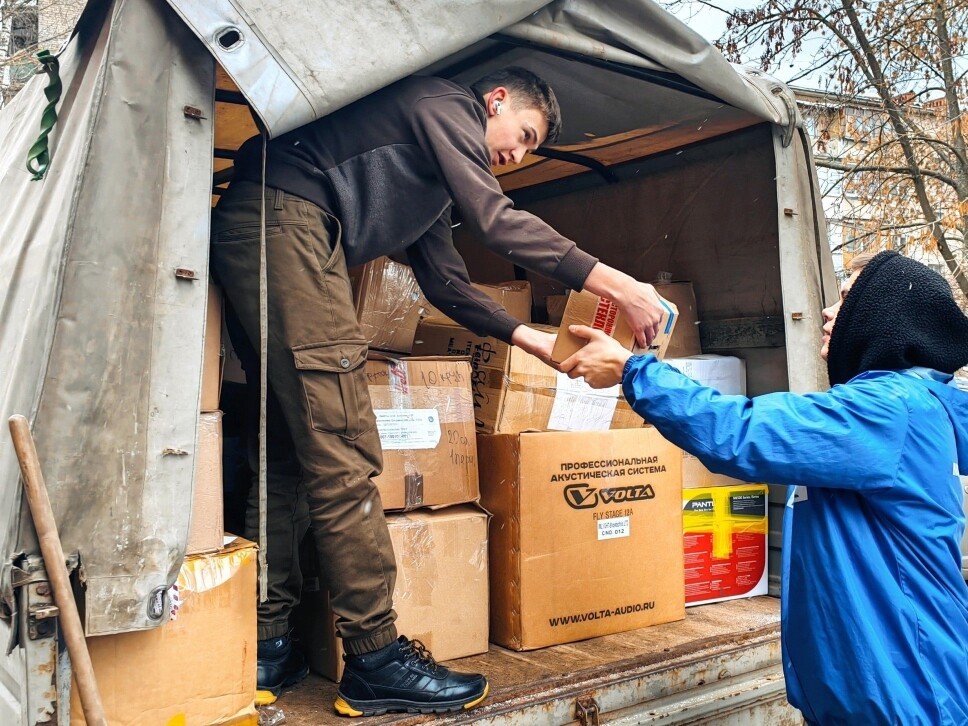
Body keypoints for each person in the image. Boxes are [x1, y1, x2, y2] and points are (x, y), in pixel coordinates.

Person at [210, 66, 667, 716]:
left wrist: (533, 342)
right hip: (287, 221)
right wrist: (616, 285)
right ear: (497, 99)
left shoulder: (430, 181)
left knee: (286, 445)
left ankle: (267, 647)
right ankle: (374, 659)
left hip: (266, 224)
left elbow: (447, 285)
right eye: (524, 135)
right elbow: (496, 219)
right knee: (344, 446)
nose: (518, 154)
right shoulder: (444, 102)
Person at [559, 251, 968, 725]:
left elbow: (742, 433)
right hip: (879, 691)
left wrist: (634, 371)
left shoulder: (889, 411)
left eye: (847, 299)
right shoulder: (898, 408)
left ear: (885, 319)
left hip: (909, 696)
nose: (829, 313)